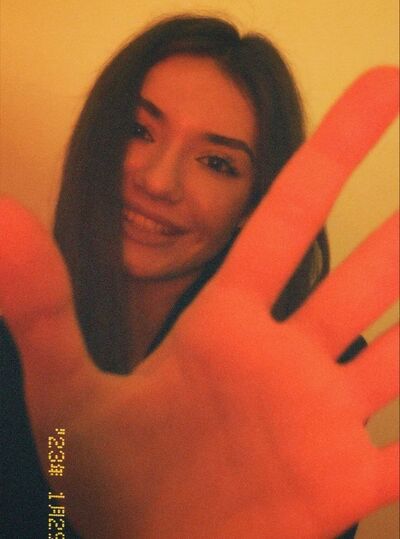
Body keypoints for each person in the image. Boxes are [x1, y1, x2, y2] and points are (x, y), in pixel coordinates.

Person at [1, 14, 398, 539]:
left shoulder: (306, 375)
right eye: (138, 130)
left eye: (216, 163)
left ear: (251, 206)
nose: (158, 181)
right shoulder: (13, 329)